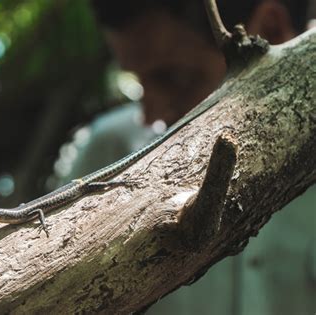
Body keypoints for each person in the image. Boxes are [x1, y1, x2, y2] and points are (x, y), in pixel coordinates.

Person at [54, 1, 315, 314]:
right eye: (139, 83)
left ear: (269, 31)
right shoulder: (107, 154)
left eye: (175, 78)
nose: (151, 116)